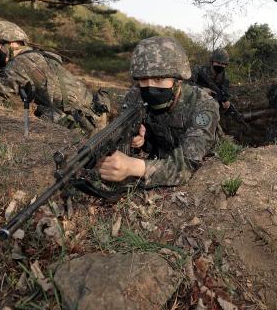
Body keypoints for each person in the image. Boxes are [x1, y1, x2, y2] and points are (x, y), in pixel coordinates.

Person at [91, 36, 221, 195]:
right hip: (160, 153)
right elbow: (127, 131)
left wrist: (133, 167)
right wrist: (138, 141)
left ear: (178, 80)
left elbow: (187, 165)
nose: (150, 87)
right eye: (144, 80)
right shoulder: (135, 96)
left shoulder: (203, 105)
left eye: (159, 79)